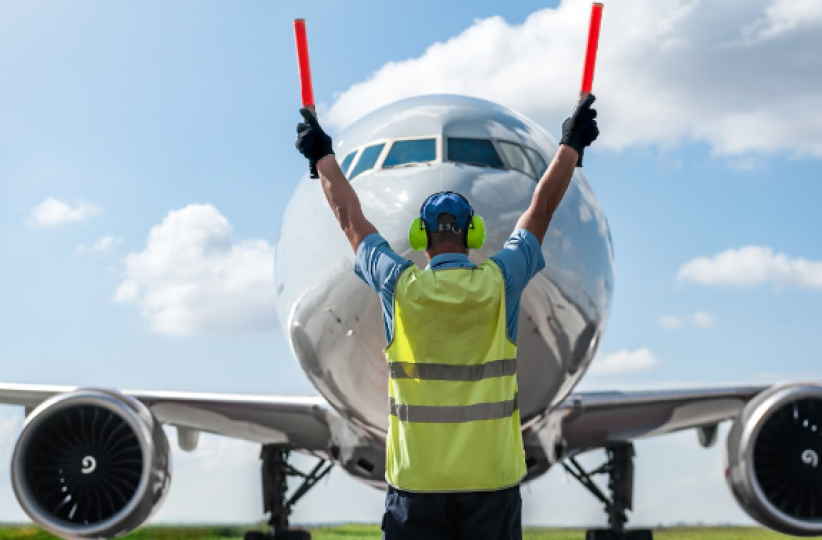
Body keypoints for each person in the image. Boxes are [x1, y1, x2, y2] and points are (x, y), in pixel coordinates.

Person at [295, 96, 599, 540]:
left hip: (417, 486)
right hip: (491, 484)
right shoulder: (499, 281)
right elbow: (542, 207)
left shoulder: (399, 286)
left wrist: (321, 156)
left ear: (420, 237)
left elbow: (349, 218)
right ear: (473, 234)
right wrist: (570, 146)